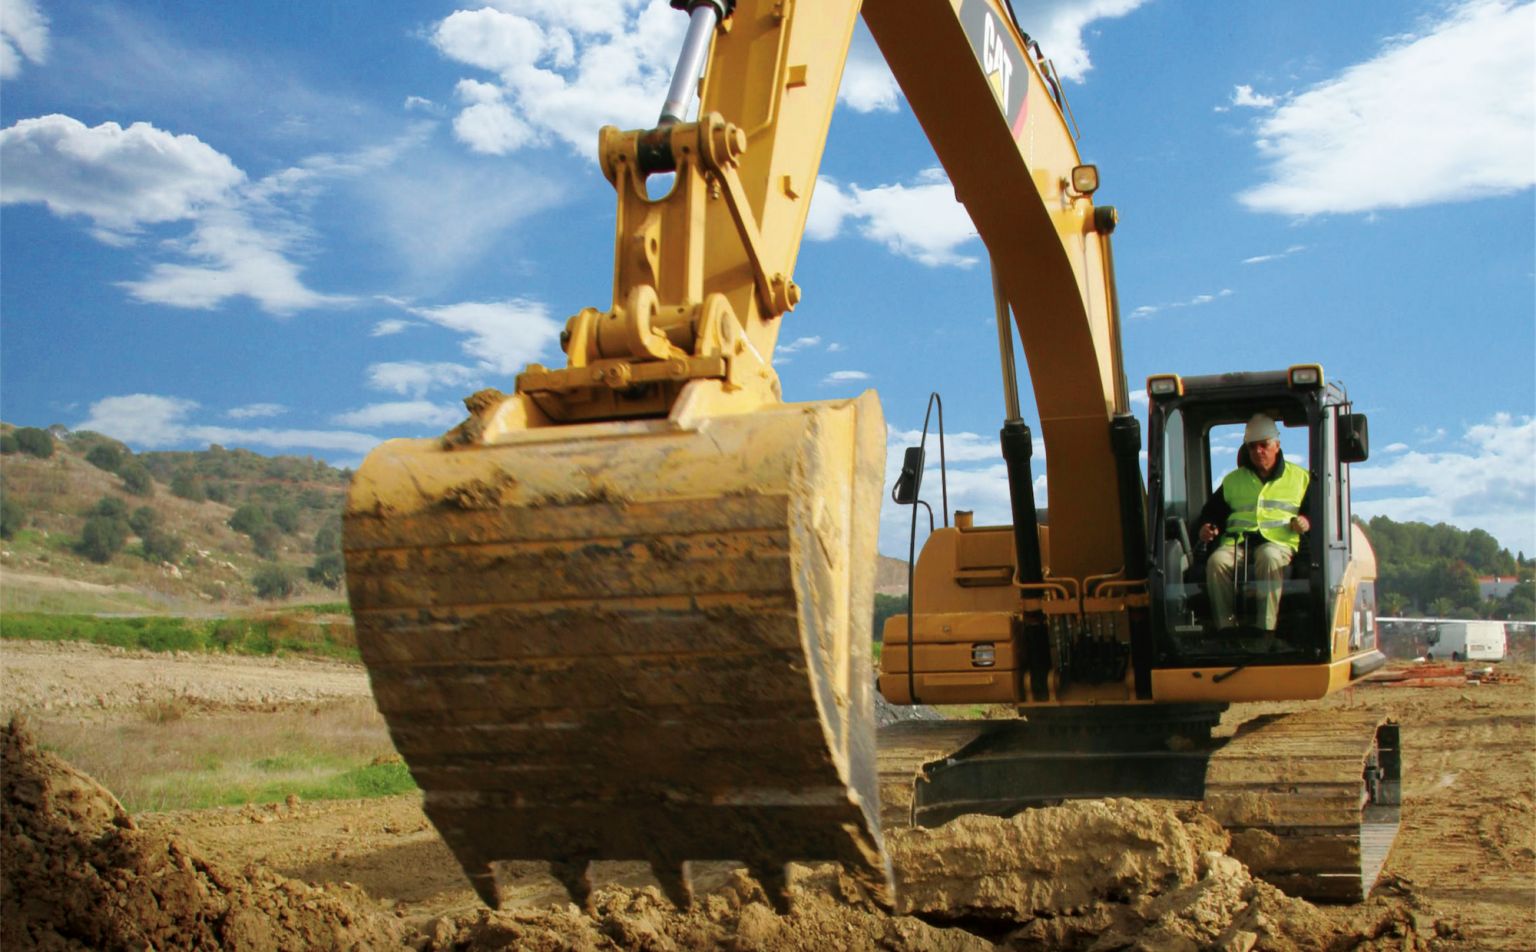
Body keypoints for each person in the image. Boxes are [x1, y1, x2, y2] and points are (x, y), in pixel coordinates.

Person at [1196, 414, 1312, 631]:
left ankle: (1265, 629)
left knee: (1268, 557)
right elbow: (1211, 512)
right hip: (1238, 543)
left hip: (1278, 543)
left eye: (1263, 445)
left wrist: (1305, 521)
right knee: (1216, 561)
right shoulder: (1233, 480)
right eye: (1251, 447)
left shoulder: (1300, 478)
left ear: (1276, 445)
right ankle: (1226, 628)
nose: (1258, 451)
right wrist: (1207, 527)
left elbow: (1312, 511)